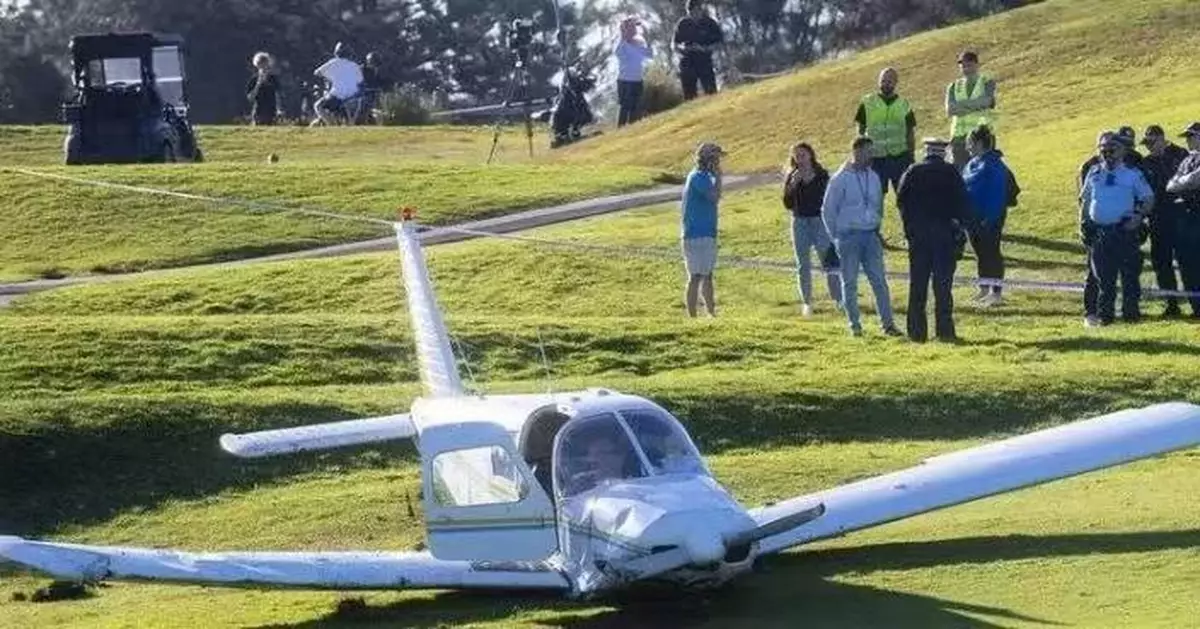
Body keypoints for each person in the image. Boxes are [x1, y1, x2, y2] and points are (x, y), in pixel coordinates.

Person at [822, 136, 903, 337]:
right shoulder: (840, 179)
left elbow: (878, 204)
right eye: (868, 151)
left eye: (872, 151)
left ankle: (888, 324)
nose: (871, 156)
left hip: (870, 235)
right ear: (856, 152)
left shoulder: (874, 176)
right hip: (848, 237)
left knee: (879, 281)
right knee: (849, 282)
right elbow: (828, 210)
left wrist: (876, 224)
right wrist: (837, 237)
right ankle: (855, 326)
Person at [897, 138, 975, 342]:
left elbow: (901, 201)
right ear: (943, 152)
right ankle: (945, 331)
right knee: (943, 287)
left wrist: (909, 229)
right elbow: (963, 204)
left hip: (919, 238)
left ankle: (916, 332)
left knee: (918, 286)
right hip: (945, 236)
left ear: (926, 151)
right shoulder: (951, 173)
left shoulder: (913, 171)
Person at [1079, 134, 1154, 326]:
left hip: (1124, 232)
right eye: (1103, 150)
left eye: (1112, 150)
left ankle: (1131, 315)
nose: (1107, 154)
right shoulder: (1094, 173)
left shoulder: (1132, 174)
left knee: (1129, 276)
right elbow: (1085, 200)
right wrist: (1083, 223)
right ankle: (1106, 317)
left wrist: (1138, 216)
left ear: (1122, 151)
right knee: (1104, 279)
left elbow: (1148, 198)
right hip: (1099, 233)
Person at [782, 142, 842, 316]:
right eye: (796, 155)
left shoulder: (822, 175)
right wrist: (793, 185)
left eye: (802, 154)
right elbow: (787, 203)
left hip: (818, 222)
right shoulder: (792, 176)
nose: (799, 158)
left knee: (829, 261)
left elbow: (829, 199)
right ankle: (807, 302)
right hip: (799, 222)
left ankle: (839, 299)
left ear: (810, 155)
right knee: (803, 264)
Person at [962, 125, 1016, 306]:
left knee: (991, 253)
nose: (967, 147)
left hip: (989, 220)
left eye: (969, 143)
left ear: (978, 143)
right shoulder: (971, 164)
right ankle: (983, 288)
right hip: (972, 219)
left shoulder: (994, 165)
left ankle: (996, 292)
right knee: (980, 254)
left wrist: (989, 218)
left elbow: (997, 195)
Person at [1142, 124, 1191, 317]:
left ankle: (1195, 301)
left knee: (1187, 261)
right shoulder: (1145, 163)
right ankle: (1171, 303)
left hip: (1182, 217)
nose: (1149, 146)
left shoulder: (1180, 154)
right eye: (1146, 143)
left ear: (1162, 138)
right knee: (1162, 263)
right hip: (1158, 219)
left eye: (1152, 142)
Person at [855, 67, 916, 197]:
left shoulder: (904, 104)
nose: (885, 84)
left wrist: (911, 156)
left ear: (896, 83)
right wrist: (861, 156)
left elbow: (910, 133)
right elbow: (860, 131)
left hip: (900, 157)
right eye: (883, 80)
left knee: (905, 196)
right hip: (875, 159)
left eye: (889, 81)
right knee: (874, 198)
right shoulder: (867, 102)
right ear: (878, 82)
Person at [681, 142, 725, 317]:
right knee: (696, 276)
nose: (719, 163)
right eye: (716, 159)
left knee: (707, 274)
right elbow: (714, 197)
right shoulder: (698, 176)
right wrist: (719, 178)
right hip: (695, 233)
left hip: (707, 232)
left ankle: (711, 312)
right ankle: (692, 315)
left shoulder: (705, 177)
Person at [1164, 122, 1200, 318]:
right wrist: (1186, 181)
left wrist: (1183, 182)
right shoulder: (1187, 161)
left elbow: (1194, 180)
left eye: (1191, 136)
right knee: (1187, 264)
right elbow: (1170, 185)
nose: (1187, 140)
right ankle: (1197, 308)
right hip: (1185, 218)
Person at [945, 51, 997, 171]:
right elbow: (950, 110)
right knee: (961, 175)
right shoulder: (953, 86)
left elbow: (987, 102)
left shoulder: (987, 82)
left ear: (976, 65)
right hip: (959, 139)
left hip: (982, 137)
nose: (966, 69)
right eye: (963, 66)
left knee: (983, 171)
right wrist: (976, 104)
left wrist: (961, 106)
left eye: (969, 65)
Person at [672, 0, 723, 100]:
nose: (693, 14)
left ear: (700, 10)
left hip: (704, 61)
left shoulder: (709, 23)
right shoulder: (683, 24)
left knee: (711, 92)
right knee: (689, 96)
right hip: (687, 62)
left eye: (695, 11)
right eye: (690, 12)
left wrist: (705, 48)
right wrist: (684, 48)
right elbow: (674, 44)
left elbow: (719, 43)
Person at [311, 42, 363, 127]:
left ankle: (332, 126)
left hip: (338, 96)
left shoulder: (333, 62)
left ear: (336, 53)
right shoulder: (355, 65)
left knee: (318, 106)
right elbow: (360, 81)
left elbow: (317, 72)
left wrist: (328, 77)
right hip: (353, 97)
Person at [615, 17, 653, 127]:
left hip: (637, 79)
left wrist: (648, 38)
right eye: (630, 27)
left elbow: (649, 55)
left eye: (634, 27)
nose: (633, 29)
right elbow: (619, 54)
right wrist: (623, 32)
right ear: (625, 30)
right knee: (625, 107)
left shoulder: (640, 42)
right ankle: (620, 130)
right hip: (625, 81)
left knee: (636, 108)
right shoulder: (621, 44)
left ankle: (633, 128)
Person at [246, 52, 280, 126]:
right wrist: (258, 84)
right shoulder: (253, 79)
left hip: (272, 112)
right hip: (258, 112)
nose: (264, 67)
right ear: (257, 66)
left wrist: (279, 109)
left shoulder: (273, 79)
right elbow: (250, 98)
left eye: (265, 65)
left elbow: (278, 94)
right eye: (261, 65)